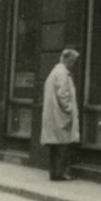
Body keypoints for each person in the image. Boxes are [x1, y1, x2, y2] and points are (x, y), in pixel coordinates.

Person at [41, 47, 81, 181]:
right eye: (73, 61)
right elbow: (63, 94)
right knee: (63, 147)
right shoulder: (63, 73)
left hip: (54, 116)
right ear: (67, 60)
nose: (73, 64)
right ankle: (60, 174)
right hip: (61, 117)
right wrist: (69, 109)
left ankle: (54, 173)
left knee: (55, 147)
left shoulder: (54, 72)